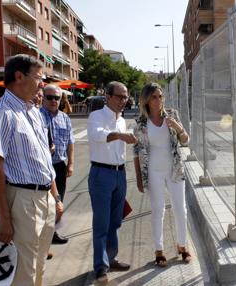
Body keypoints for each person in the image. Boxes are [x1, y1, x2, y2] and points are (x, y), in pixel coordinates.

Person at [0, 54, 63, 286]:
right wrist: (4, 218)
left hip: (44, 197)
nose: (42, 83)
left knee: (38, 265)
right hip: (22, 199)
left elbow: (45, 159)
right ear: (19, 76)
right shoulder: (2, 113)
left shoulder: (33, 112)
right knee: (22, 273)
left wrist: (55, 196)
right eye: (39, 78)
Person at [133, 82, 192, 267]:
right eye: (154, 97)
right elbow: (136, 151)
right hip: (153, 171)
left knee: (180, 209)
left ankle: (182, 246)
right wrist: (138, 178)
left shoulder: (172, 115)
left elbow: (185, 141)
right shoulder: (141, 122)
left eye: (160, 96)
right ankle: (159, 250)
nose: (158, 100)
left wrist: (178, 128)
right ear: (146, 100)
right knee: (158, 211)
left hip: (174, 169)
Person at [87, 81, 137, 283]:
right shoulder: (96, 116)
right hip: (101, 173)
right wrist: (119, 135)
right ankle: (100, 267)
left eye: (125, 97)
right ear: (108, 96)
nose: (123, 101)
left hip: (119, 174)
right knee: (101, 223)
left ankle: (111, 257)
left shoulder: (122, 120)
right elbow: (97, 135)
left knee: (115, 221)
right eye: (119, 96)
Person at [40, 84, 75, 245]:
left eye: (57, 98)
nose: (54, 101)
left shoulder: (64, 117)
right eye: (50, 97)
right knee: (42, 204)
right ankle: (40, 240)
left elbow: (70, 142)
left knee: (58, 202)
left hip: (59, 166)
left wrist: (71, 163)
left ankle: (52, 233)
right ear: (43, 97)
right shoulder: (36, 116)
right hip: (41, 167)